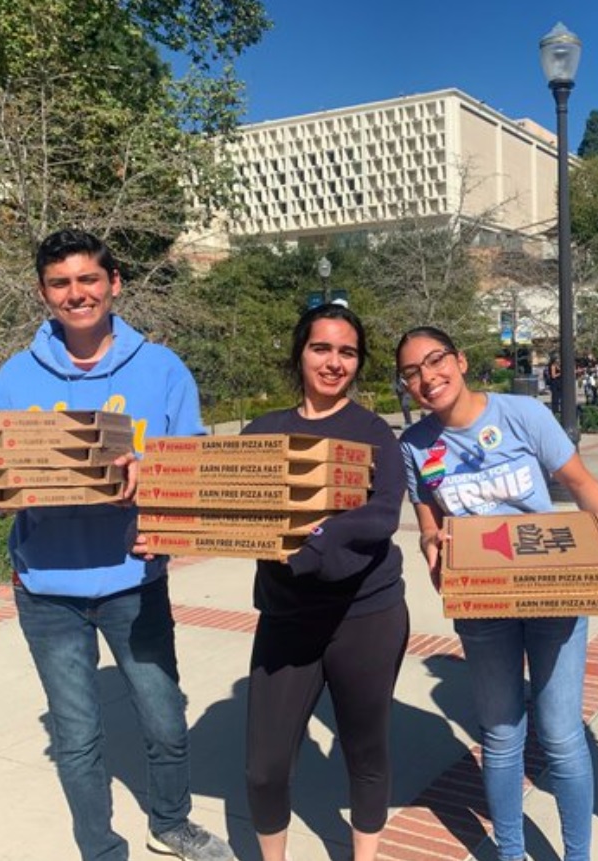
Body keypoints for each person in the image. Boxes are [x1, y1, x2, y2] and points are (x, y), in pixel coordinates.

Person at [0, 229, 232, 861]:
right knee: (76, 735)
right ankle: (100, 849)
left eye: (88, 279)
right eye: (61, 284)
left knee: (165, 719)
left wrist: (156, 477)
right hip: (47, 588)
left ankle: (171, 822)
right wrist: (11, 480)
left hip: (134, 579)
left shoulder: (162, 369)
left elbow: (195, 467)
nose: (77, 294)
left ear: (113, 283)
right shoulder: (16, 378)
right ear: (45, 294)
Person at [395, 326, 598, 861]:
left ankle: (578, 855)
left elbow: (582, 483)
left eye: (435, 362)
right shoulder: (415, 446)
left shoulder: (522, 415)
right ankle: (512, 853)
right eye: (412, 372)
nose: (428, 378)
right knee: (500, 736)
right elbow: (428, 515)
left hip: (553, 593)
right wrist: (432, 543)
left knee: (561, 734)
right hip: (484, 605)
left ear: (460, 360)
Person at [242, 304, 408, 861]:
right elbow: (220, 506)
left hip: (366, 615)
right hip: (288, 618)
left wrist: (314, 543)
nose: (334, 362)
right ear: (299, 352)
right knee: (264, 767)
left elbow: (382, 513)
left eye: (347, 352)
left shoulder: (372, 432)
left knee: (365, 752)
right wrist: (157, 530)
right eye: (322, 348)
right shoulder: (263, 432)